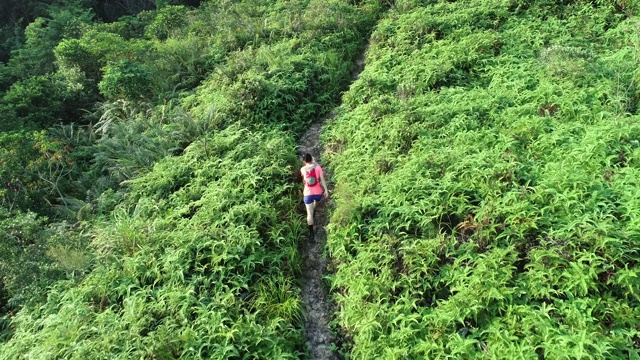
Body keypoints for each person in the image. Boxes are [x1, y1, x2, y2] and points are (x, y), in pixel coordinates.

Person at [301, 153, 329, 240]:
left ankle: (311, 233)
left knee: (309, 214)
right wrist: (326, 190)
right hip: (318, 193)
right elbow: (322, 179)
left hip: (308, 193)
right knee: (316, 201)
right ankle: (314, 207)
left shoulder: (302, 169)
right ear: (311, 159)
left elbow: (304, 180)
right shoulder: (318, 167)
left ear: (304, 161)